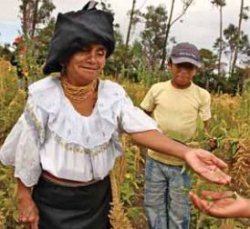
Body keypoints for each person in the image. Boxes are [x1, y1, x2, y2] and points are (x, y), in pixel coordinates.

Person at [0, 2, 230, 229]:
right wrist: (24, 197)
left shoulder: (112, 95)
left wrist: (187, 152)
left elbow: (140, 128)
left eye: (100, 53)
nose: (93, 59)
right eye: (84, 50)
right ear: (64, 56)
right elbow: (27, 150)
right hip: (54, 201)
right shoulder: (44, 95)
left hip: (98, 201)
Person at [140, 42, 212, 228]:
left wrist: (210, 143)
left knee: (179, 212)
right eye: (180, 65)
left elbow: (207, 129)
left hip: (182, 165)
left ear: (196, 70)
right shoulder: (157, 89)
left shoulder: (202, 95)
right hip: (155, 161)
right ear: (170, 64)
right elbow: (141, 117)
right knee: (153, 208)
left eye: (190, 67)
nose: (184, 71)